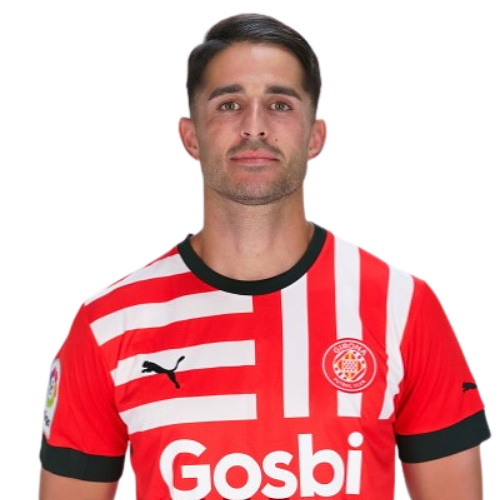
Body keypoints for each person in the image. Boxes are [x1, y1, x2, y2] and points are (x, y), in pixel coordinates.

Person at [38, 12, 491, 500]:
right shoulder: (106, 324)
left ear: (316, 136)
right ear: (190, 136)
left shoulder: (403, 306)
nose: (254, 127)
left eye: (279, 105)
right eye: (229, 104)